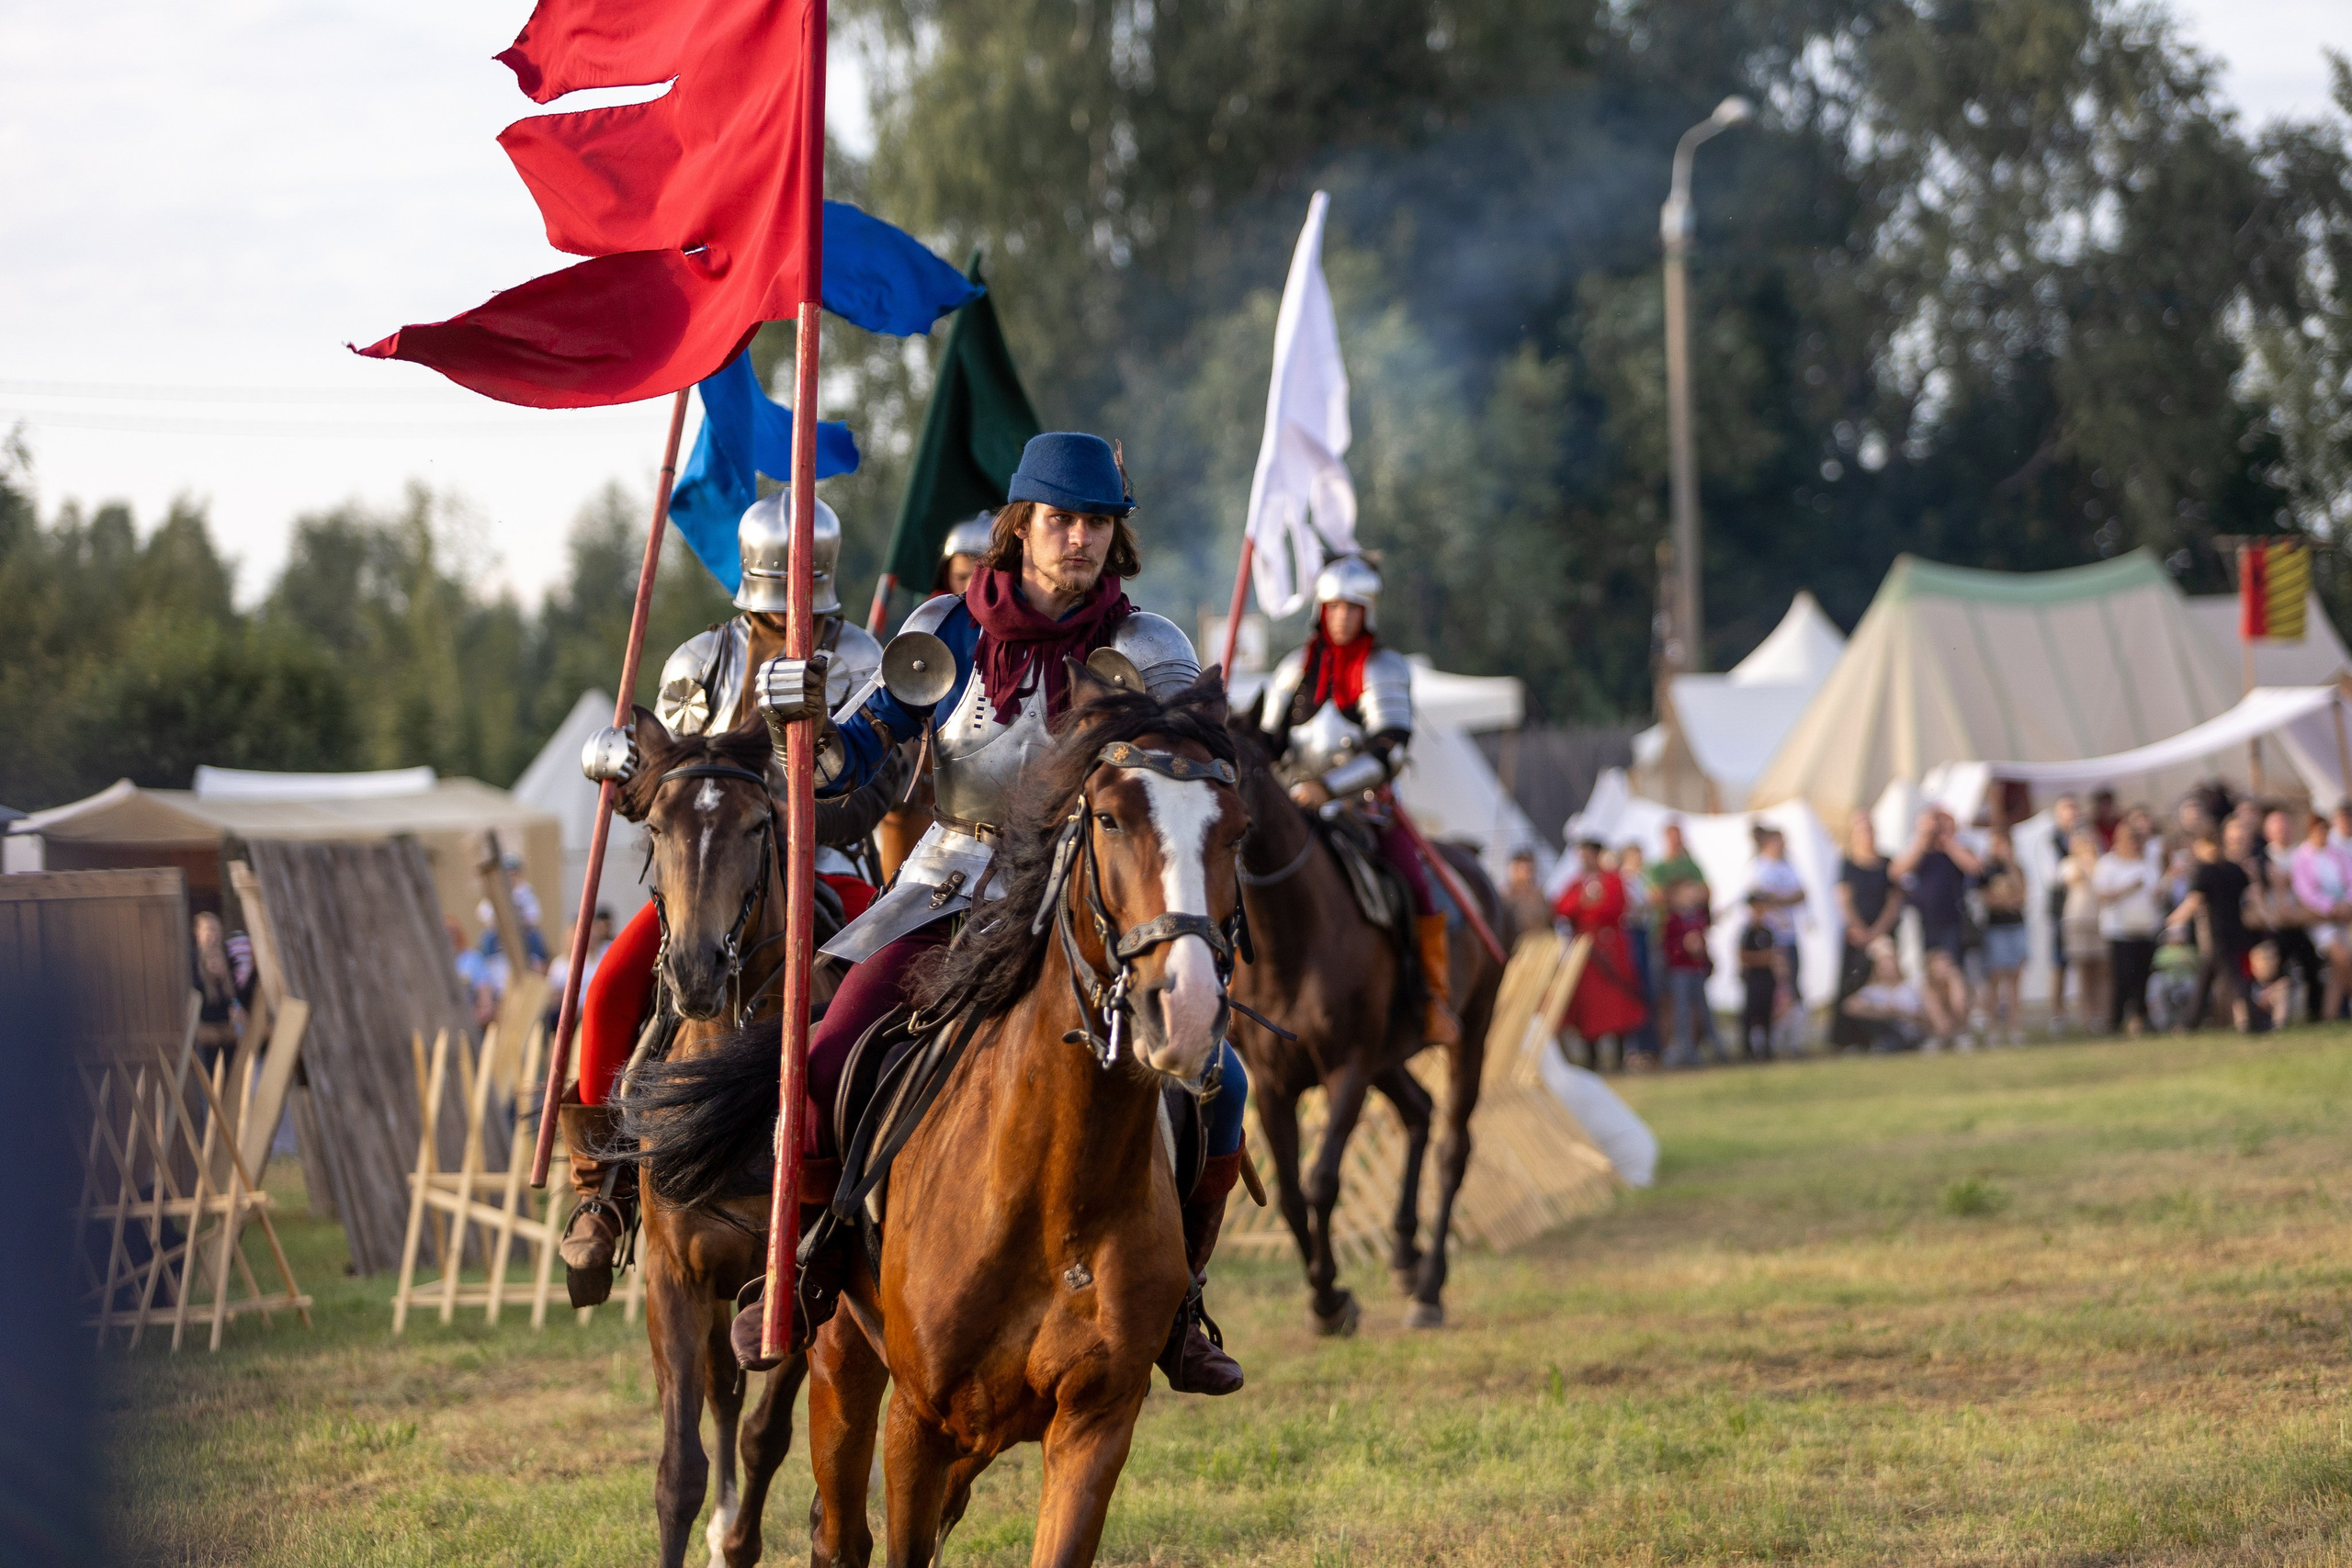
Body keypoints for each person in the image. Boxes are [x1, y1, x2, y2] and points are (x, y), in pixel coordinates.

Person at [763, 433, 1247, 1393]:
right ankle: (809, 1266)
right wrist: (803, 724)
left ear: (1117, 536)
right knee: (823, 1060)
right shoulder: (945, 629)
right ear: (1018, 527)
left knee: (1220, 1083)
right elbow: (853, 763)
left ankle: (1180, 1302)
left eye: (1097, 523)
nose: (1078, 539)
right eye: (1060, 520)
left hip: (1090, 906)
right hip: (952, 884)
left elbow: (1190, 784)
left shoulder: (1150, 649)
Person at [564, 491, 900, 1309]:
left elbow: (887, 780)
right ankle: (598, 1188)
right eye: (779, 605)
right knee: (610, 988)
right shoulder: (698, 662)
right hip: (708, 873)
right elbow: (661, 790)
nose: (795, 621)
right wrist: (628, 776)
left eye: (806, 604)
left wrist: (796, 809)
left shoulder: (865, 661)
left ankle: (890, 1181)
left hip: (828, 862)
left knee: (887, 992)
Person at [1261, 554, 1463, 1049]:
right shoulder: (1293, 670)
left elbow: (1389, 747)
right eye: (1334, 607)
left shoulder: (1384, 668)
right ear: (1320, 610)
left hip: (1361, 809)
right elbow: (1267, 740)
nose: (1342, 617)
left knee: (1415, 886)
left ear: (1367, 611)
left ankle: (1430, 998)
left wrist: (1329, 788)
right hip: (1292, 809)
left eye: (1353, 608)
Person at [1553, 840, 1651, 1067]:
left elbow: (1613, 907)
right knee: (1589, 1007)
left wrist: (1587, 907)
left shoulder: (1612, 880)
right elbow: (1562, 907)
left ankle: (1618, 1056)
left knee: (1618, 1004)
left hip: (1610, 950)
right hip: (1586, 953)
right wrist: (1585, 902)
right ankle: (1592, 1057)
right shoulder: (1577, 883)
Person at [1894, 809, 1979, 1044]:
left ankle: (1960, 1029)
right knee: (1929, 980)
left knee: (1954, 978)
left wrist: (1948, 842)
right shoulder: (1920, 852)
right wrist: (1923, 839)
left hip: (1953, 923)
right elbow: (1897, 871)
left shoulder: (1956, 849)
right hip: (1924, 925)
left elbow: (1974, 867)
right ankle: (1939, 1030)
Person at [2167, 824, 2256, 1032]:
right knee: (2205, 980)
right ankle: (2190, 1023)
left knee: (2236, 981)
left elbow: (2194, 901)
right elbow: (2251, 896)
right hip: (2235, 931)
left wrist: (2173, 919)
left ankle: (2254, 1021)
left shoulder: (2204, 871)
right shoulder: (2235, 869)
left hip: (2215, 935)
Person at [1833, 812, 1903, 1051]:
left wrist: (1878, 931)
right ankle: (1851, 1039)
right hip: (1857, 935)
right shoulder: (1848, 864)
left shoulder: (1887, 863)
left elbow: (1894, 899)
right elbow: (1845, 899)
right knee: (1854, 984)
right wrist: (1861, 931)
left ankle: (1889, 1036)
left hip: (1882, 932)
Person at [2095, 821, 2162, 1037]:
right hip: (2119, 930)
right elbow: (2103, 895)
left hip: (2145, 928)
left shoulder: (2147, 863)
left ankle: (2141, 1017)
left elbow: (2156, 892)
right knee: (2122, 976)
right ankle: (2115, 1019)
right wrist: (2128, 888)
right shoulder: (2108, 864)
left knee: (2143, 975)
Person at [2261, 808, 2325, 1023]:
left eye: (2285, 825)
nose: (2282, 830)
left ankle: (2315, 1012)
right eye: (2277, 826)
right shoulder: (2263, 856)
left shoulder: (2301, 853)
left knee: (2311, 964)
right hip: (2276, 923)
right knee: (2274, 969)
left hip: (2301, 920)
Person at [2290, 809, 2352, 1021]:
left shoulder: (2338, 853)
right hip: (2318, 918)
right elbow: (2304, 891)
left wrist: (2346, 903)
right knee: (2341, 957)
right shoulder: (2302, 856)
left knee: (2339, 968)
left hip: (2343, 915)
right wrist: (2329, 907)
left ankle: (2330, 1014)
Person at [1658, 878, 1722, 1066]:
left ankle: (1715, 1048)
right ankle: (1686, 1051)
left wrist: (1705, 960)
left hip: (1697, 970)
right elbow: (1668, 947)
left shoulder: (1699, 918)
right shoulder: (1672, 920)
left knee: (1704, 1010)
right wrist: (1684, 947)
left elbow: (1703, 944)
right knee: (1682, 1011)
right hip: (1680, 971)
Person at [1976, 829, 2029, 1044]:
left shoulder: (2017, 868)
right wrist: (2007, 901)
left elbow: (2023, 894)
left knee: (2015, 978)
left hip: (2016, 926)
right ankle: (1992, 1028)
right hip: (1995, 928)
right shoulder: (1985, 870)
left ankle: (2014, 1027)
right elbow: (1986, 898)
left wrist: (2009, 865)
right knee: (1995, 978)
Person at [1839, 937, 1933, 1053]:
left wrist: (1899, 1012)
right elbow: (1849, 1006)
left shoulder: (1911, 988)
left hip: (1909, 1033)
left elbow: (1924, 1016)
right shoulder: (1873, 991)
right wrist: (1881, 1013)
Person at [1616, 842, 1663, 1067]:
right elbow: (1629, 909)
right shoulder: (1623, 881)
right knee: (1635, 988)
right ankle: (1635, 1046)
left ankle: (1648, 1045)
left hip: (1644, 935)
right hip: (1631, 935)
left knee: (1646, 989)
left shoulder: (1643, 879)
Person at [2059, 829, 2109, 1033]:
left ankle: (2103, 1014)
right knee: (2084, 970)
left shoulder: (2103, 863)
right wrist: (2084, 860)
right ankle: (2088, 1016)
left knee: (2102, 969)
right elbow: (2075, 879)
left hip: (2099, 919)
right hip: (2078, 920)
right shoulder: (2069, 864)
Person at [1736, 891, 1783, 1060]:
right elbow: (1743, 956)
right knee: (1750, 1013)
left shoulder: (1768, 931)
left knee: (1766, 1012)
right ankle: (1748, 1049)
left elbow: (1773, 955)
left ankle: (1767, 1049)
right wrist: (1761, 959)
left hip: (1766, 977)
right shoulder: (1747, 931)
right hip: (1753, 978)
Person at [2046, 795, 2082, 1013]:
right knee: (2059, 961)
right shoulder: (2051, 840)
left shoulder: (2084, 836)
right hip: (2062, 908)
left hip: (2085, 908)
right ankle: (2057, 1011)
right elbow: (2052, 875)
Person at [932, 513, 993, 599]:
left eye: (980, 579)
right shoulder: (932, 611)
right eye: (961, 578)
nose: (968, 589)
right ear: (946, 575)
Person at [1502, 849, 1552, 939]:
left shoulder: (1539, 896)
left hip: (1539, 944)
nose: (1528, 874)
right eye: (1524, 869)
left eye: (1530, 870)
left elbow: (1549, 923)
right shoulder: (1505, 896)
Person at [2246, 940, 2293, 1032]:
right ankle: (2245, 1029)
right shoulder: (2247, 985)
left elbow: (2284, 984)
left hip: (2276, 1016)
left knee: (2281, 993)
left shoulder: (2283, 982)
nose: (2269, 963)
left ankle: (2278, 1028)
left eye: (2272, 958)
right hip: (2256, 1017)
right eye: (2264, 959)